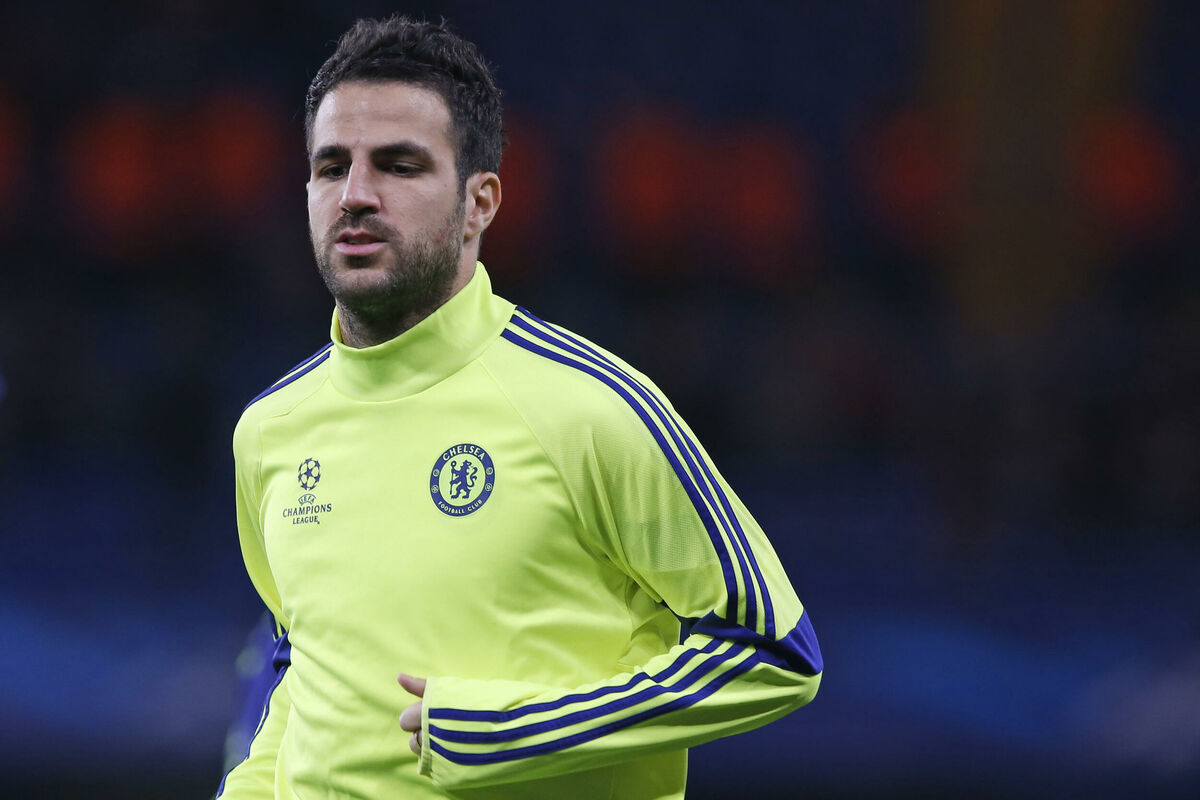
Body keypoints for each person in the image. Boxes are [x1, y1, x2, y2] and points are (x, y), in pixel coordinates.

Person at [217, 15, 822, 800]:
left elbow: (776, 651)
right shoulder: (269, 431)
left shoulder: (590, 408)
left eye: (399, 165)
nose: (356, 195)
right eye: (331, 167)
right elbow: (300, 660)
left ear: (480, 203)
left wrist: (513, 731)